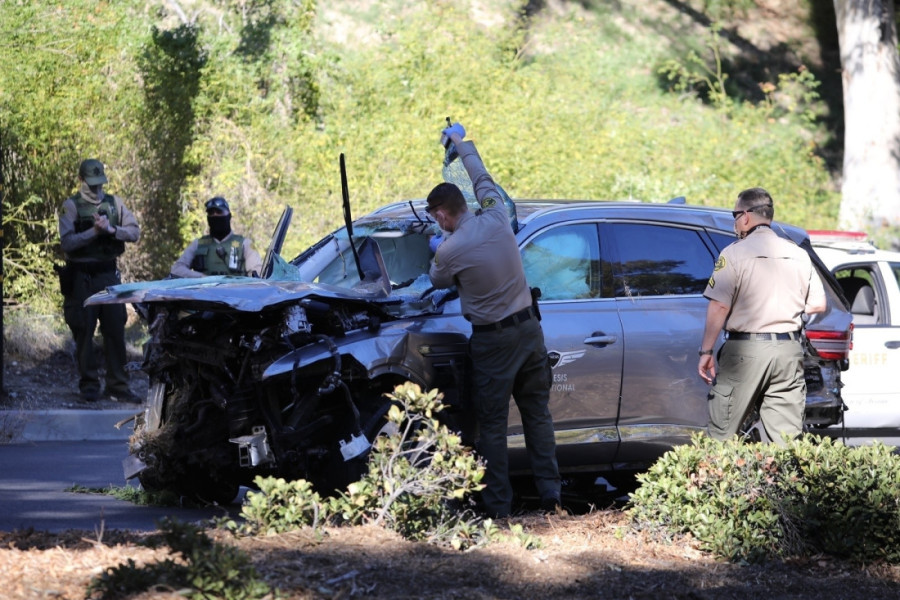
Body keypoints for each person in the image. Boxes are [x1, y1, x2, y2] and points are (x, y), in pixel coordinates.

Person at [427, 122, 561, 517]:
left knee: (492, 427)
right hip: (529, 331)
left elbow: (436, 279)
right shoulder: (497, 215)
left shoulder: (450, 249)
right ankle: (552, 497)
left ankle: (498, 508)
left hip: (493, 343)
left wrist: (438, 247)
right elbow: (483, 177)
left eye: (436, 220)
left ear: (441, 215)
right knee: (538, 416)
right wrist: (460, 143)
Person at [697, 187, 826, 445]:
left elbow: (719, 306)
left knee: (721, 437)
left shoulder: (733, 253)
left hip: (746, 351)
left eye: (735, 215)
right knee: (784, 442)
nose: (734, 221)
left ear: (745, 216)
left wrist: (706, 352)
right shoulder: (798, 254)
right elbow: (818, 305)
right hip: (788, 352)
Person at [58, 158, 141, 403]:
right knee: (83, 330)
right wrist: (93, 232)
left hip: (108, 275)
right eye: (91, 183)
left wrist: (112, 230)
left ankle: (117, 384)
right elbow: (67, 243)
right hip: (81, 276)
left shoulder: (115, 203)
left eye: (99, 183)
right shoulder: (70, 206)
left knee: (115, 329)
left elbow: (134, 232)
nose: (96, 189)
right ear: (81, 180)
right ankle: (89, 385)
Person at [170, 196, 262, 278]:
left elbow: (257, 273)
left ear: (229, 216)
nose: (215, 215)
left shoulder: (245, 244)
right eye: (211, 213)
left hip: (235, 294)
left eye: (219, 212)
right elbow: (177, 269)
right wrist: (201, 277)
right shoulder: (198, 244)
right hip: (204, 294)